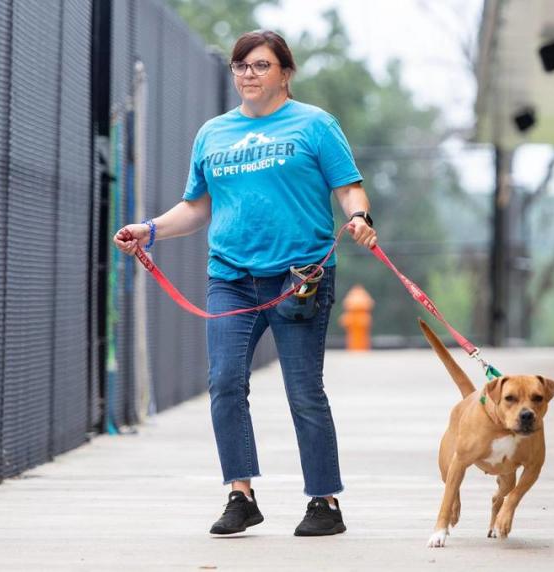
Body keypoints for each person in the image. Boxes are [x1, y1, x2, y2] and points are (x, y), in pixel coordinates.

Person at [113, 30, 376, 537]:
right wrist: (149, 230)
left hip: (300, 277)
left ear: (284, 73)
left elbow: (347, 185)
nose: (248, 75)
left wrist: (360, 216)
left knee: (304, 390)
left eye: (259, 66)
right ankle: (241, 493)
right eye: (240, 66)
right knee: (225, 383)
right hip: (230, 277)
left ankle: (324, 502)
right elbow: (196, 206)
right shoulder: (213, 133)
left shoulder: (315, 125)